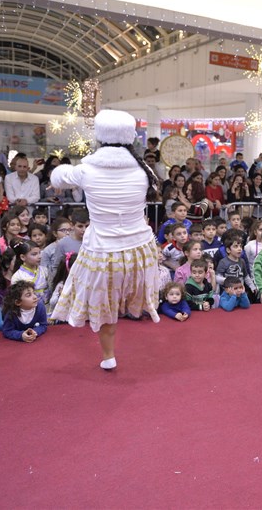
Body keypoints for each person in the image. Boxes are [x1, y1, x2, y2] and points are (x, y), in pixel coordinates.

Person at [50, 109, 161, 370]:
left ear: (100, 136)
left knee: (105, 305)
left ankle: (108, 355)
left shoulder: (86, 170)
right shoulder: (144, 171)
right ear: (130, 137)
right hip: (140, 251)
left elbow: (57, 177)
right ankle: (141, 311)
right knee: (127, 296)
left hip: (103, 252)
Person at [10, 239, 49, 304]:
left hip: (46, 305)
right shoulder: (17, 276)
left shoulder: (44, 270)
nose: (39, 256)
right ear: (22, 257)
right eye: (34, 254)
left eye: (39, 253)